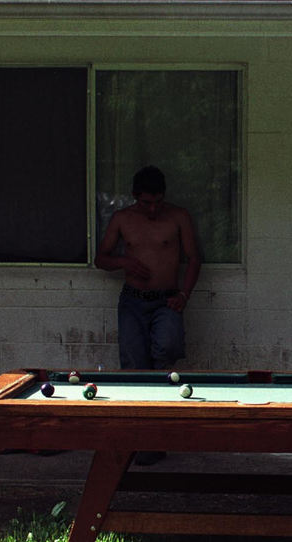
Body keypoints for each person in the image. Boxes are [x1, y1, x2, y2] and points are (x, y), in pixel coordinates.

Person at [95, 166, 201, 466]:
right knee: (134, 367)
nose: (153, 209)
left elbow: (194, 259)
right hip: (132, 301)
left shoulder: (178, 217)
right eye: (146, 203)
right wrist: (123, 261)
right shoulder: (122, 219)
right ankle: (138, 441)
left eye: (158, 202)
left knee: (165, 355)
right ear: (134, 197)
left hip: (166, 300)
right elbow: (100, 259)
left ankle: (158, 436)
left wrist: (184, 295)